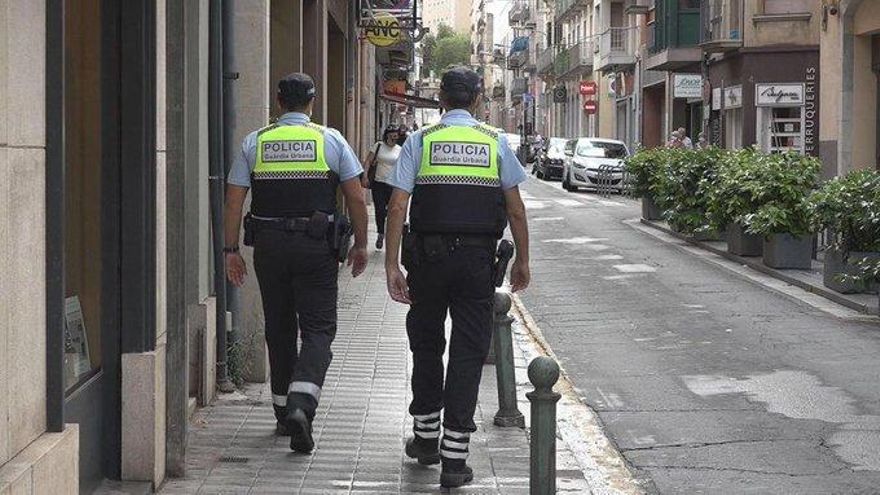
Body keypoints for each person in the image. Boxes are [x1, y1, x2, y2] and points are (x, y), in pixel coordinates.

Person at [383, 66, 531, 488]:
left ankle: (426, 437)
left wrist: (392, 264)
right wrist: (523, 260)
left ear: (442, 99)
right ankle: (454, 457)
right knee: (468, 351)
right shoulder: (494, 141)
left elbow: (397, 206)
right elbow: (516, 209)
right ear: (480, 100)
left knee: (426, 342)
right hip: (476, 262)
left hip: (427, 261)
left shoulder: (420, 141)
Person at [224, 72, 369, 454]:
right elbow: (355, 196)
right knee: (319, 330)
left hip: (269, 248)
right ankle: (302, 405)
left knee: (280, 326)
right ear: (312, 102)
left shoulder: (255, 141)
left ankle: (282, 413)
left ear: (277, 102)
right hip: (315, 247)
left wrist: (230, 251)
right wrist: (362, 245)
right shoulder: (330, 139)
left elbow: (234, 200)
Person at [362, 125, 402, 249]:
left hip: (393, 184)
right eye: (392, 133)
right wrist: (365, 176)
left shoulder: (400, 149)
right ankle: (380, 234)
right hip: (379, 183)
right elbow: (368, 161)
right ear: (387, 135)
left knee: (391, 211)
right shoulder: (378, 146)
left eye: (396, 134)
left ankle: (390, 234)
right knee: (379, 210)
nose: (395, 136)